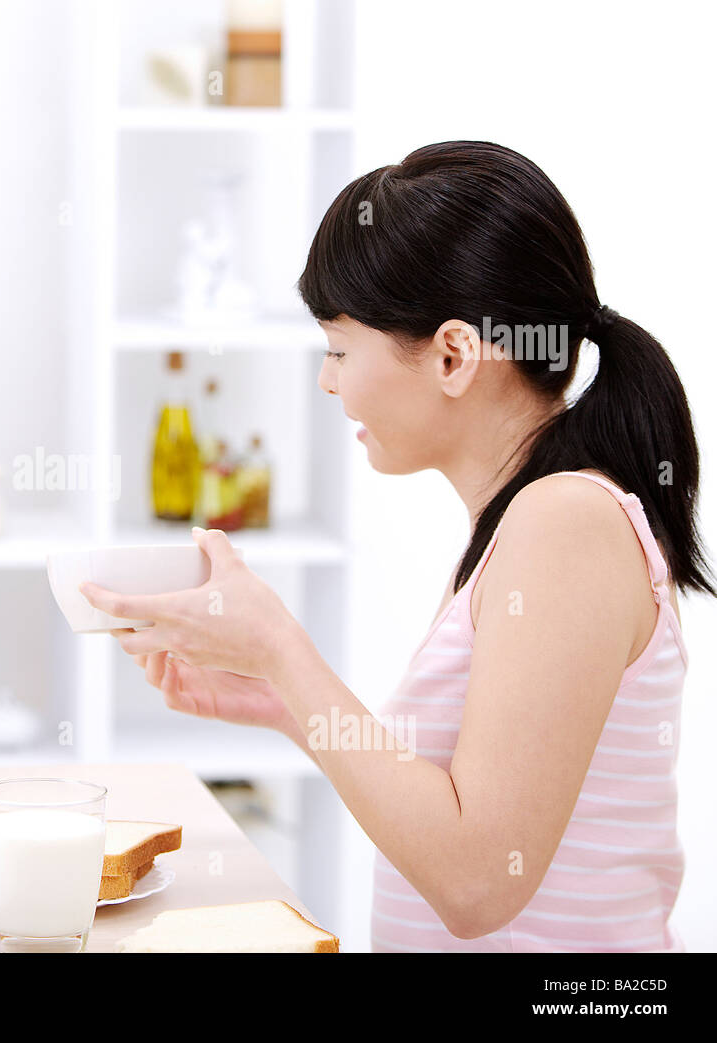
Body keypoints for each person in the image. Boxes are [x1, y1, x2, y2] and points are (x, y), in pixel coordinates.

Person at [81, 141, 710, 952]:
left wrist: (283, 653)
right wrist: (284, 701)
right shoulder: (525, 524)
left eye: (340, 348)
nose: (328, 381)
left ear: (453, 355)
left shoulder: (564, 524)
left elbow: (478, 881)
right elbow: (457, 807)